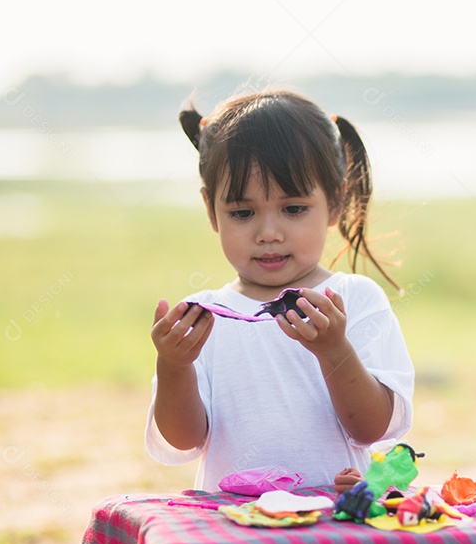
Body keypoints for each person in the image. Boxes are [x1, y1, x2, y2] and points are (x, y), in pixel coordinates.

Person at [145, 90, 414, 490]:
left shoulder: (354, 300)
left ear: (336, 202)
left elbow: (372, 428)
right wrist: (174, 366)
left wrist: (334, 350)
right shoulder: (203, 317)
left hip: (334, 524)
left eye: (293, 209)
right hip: (237, 529)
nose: (268, 234)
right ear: (210, 210)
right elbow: (184, 440)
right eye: (242, 212)